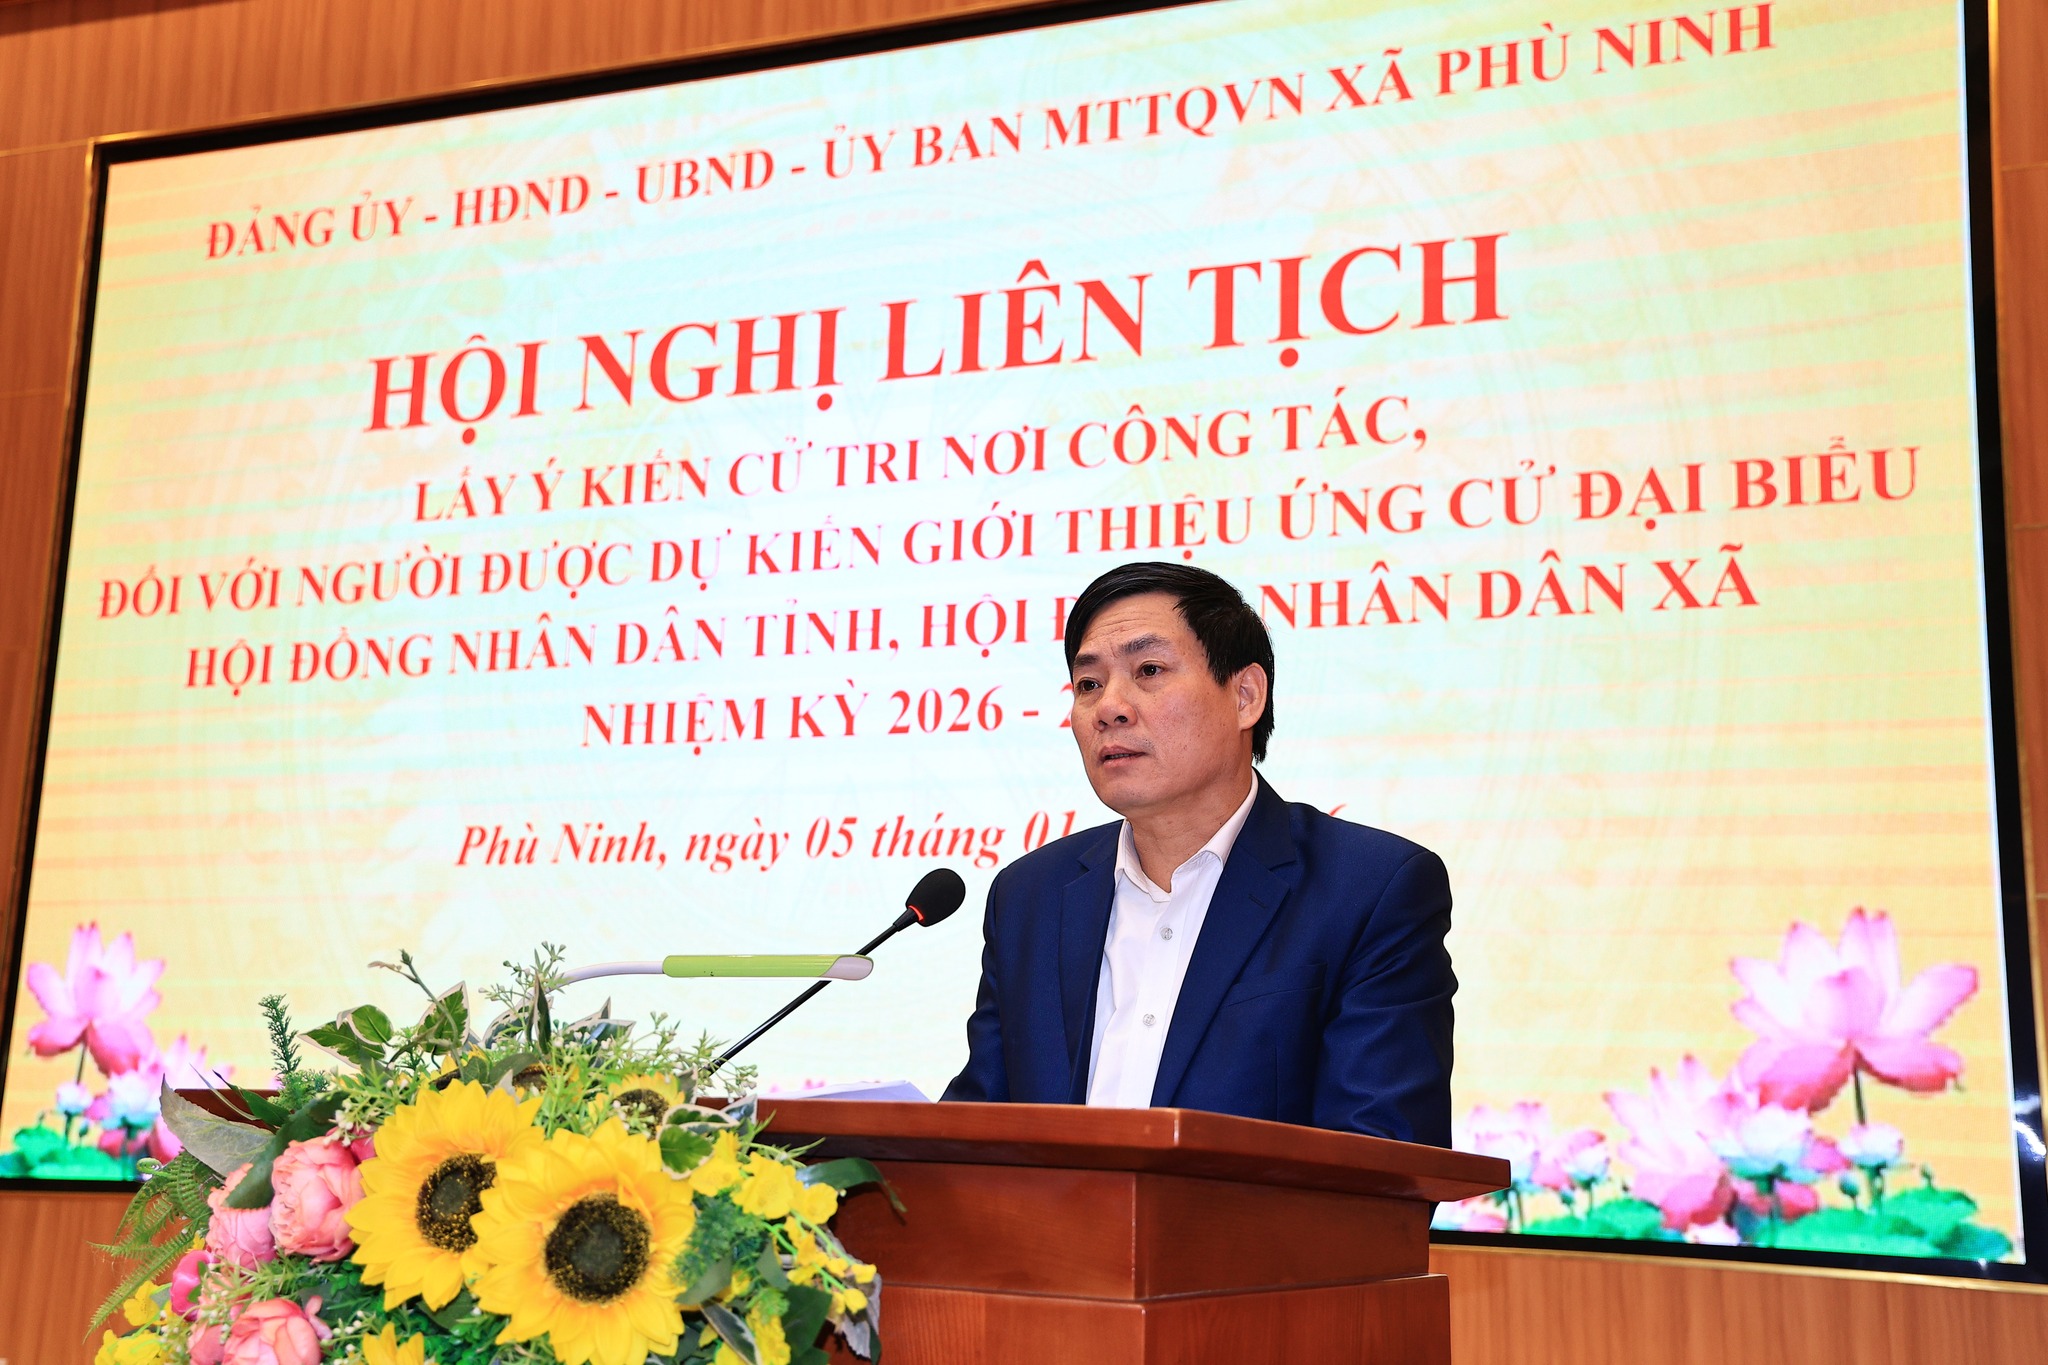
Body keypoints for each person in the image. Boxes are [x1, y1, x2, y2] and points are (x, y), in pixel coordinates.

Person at [942, 562, 1455, 1146]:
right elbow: (978, 1126)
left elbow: (1382, 1155)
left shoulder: (1369, 890)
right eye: (1088, 684)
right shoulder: (1030, 897)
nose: (1109, 707)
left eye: (1149, 670)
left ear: (1245, 696)